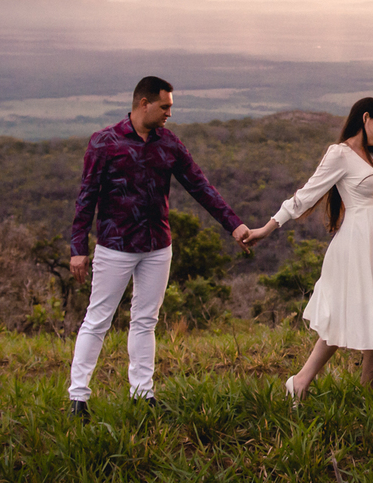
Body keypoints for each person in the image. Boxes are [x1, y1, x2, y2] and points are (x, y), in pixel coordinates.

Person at [67, 76, 250, 421]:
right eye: (164, 106)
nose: (169, 113)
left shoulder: (169, 144)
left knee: (145, 321)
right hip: (115, 246)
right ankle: (78, 398)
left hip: (157, 246)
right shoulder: (104, 142)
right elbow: (86, 197)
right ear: (143, 104)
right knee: (98, 319)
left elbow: (200, 186)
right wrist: (78, 247)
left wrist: (234, 225)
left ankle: (142, 394)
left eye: (170, 107)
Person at [246, 96, 373, 399]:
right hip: (354, 246)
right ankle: (300, 382)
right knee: (342, 314)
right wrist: (268, 228)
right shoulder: (340, 154)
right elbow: (304, 196)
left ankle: (367, 390)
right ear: (365, 118)